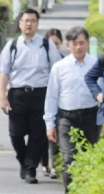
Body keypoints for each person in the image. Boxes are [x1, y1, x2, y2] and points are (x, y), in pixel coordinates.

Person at [0, 8, 62, 184]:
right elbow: (4, 73)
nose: (29, 24)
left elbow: (57, 71)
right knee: (16, 134)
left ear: (37, 24)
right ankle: (24, 162)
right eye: (26, 20)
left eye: (32, 21)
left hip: (41, 94)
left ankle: (31, 169)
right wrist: (2, 97)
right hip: (17, 94)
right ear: (20, 23)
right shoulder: (12, 46)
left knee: (37, 134)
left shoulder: (46, 44)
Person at [43, 27, 100, 190]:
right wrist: (50, 124)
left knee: (91, 157)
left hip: (91, 116)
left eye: (82, 43)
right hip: (67, 118)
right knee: (69, 158)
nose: (78, 47)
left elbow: (103, 92)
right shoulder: (60, 67)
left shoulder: (96, 64)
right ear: (68, 45)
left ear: (88, 44)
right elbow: (52, 96)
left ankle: (88, 193)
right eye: (74, 44)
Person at [41, 28, 64, 179]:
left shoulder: (64, 61)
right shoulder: (40, 59)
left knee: (55, 136)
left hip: (58, 102)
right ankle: (45, 163)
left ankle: (54, 165)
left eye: (56, 43)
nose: (54, 47)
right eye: (51, 43)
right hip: (41, 99)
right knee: (41, 135)